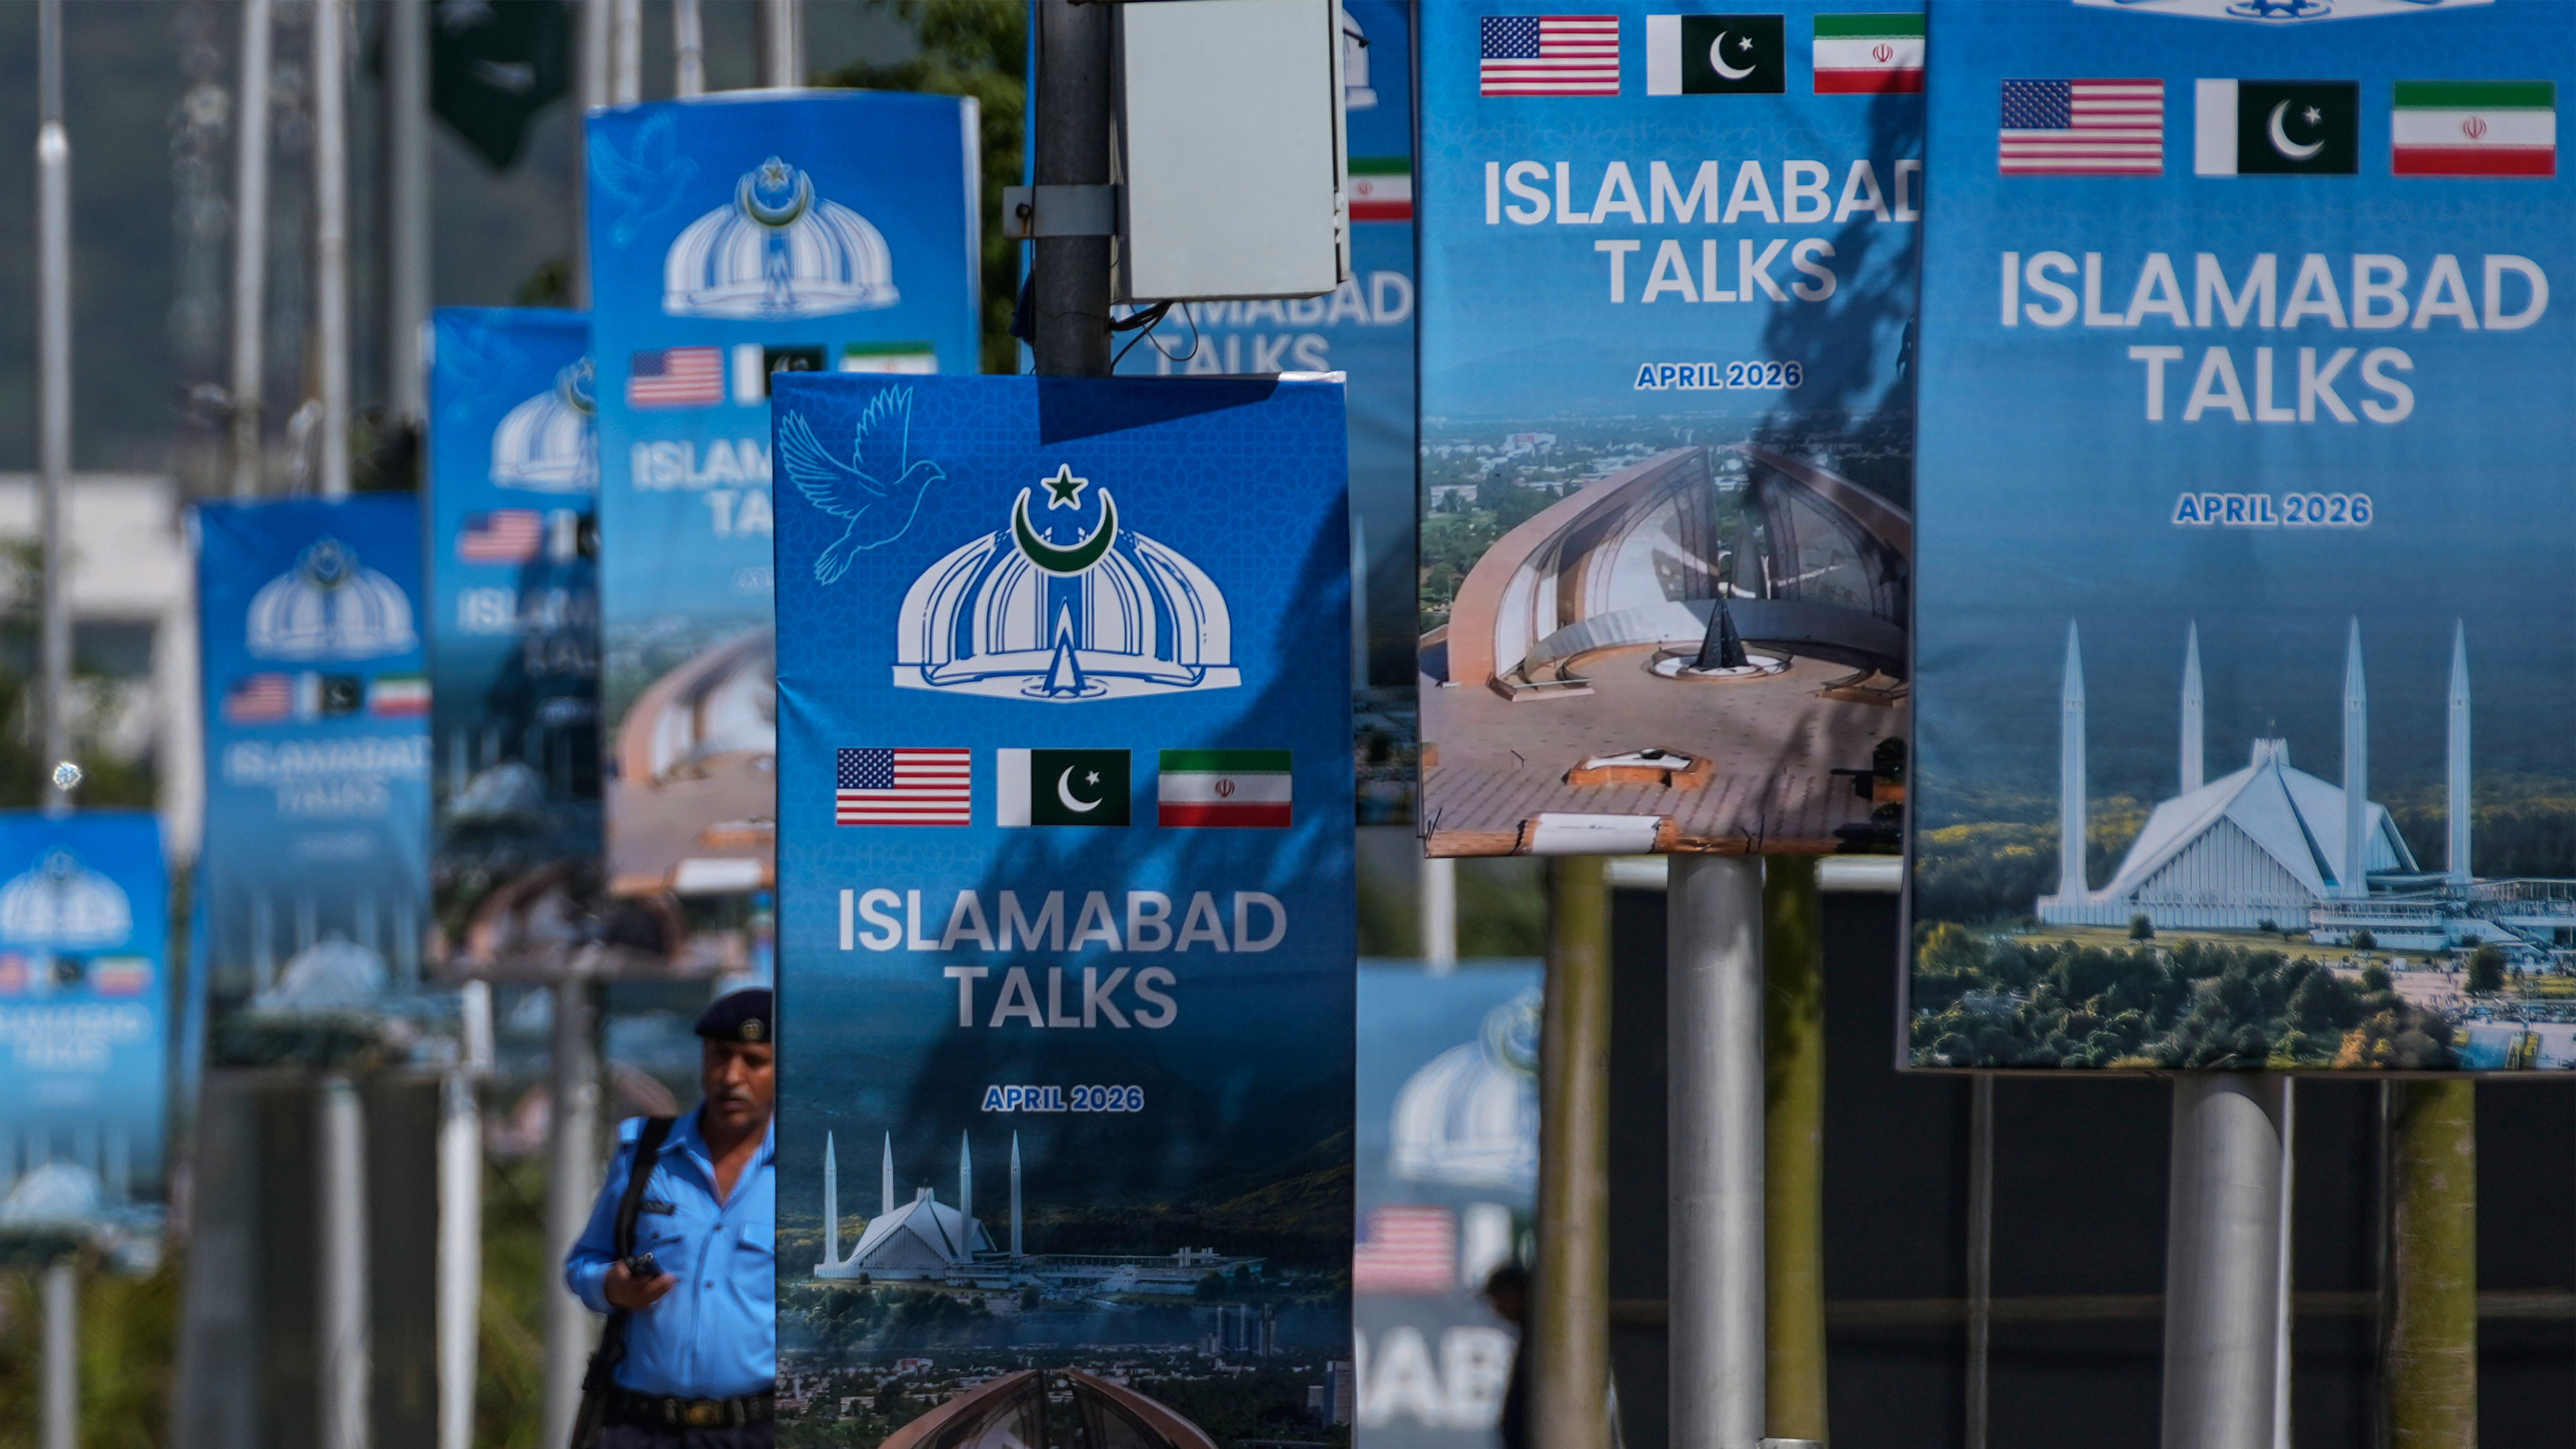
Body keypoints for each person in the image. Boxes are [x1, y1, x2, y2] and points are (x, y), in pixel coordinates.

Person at [566, 987, 778, 1447]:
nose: (731, 1077)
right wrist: (612, 1286)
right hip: (643, 1428)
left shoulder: (802, 1176)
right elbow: (582, 1263)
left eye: (753, 1061)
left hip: (758, 1431)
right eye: (720, 1056)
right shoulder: (644, 1153)